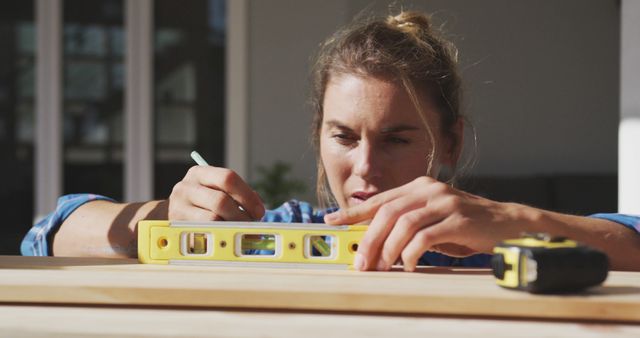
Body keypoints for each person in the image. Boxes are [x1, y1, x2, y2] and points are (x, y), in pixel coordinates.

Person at [22, 11, 640, 271]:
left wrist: (512, 221)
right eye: (343, 136)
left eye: (397, 138)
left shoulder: (494, 246)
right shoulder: (278, 234)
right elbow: (48, 232)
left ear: (449, 142)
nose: (364, 168)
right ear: (317, 135)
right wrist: (161, 216)